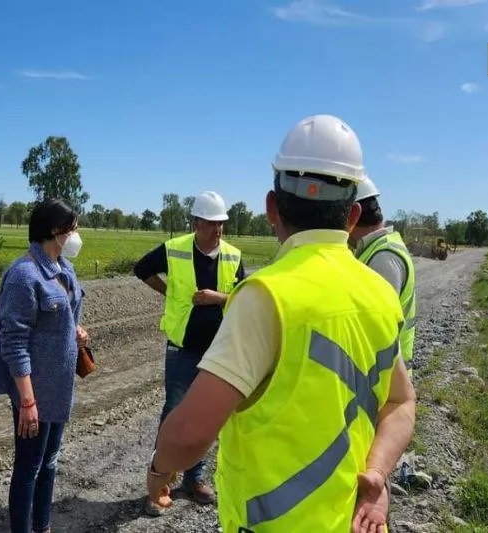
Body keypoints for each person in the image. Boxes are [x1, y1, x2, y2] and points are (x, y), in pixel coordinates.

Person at [146, 114, 417, 532]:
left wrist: (159, 469)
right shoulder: (379, 293)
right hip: (346, 520)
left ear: (272, 208)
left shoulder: (265, 296)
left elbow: (190, 433)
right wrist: (377, 474)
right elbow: (401, 402)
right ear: (352, 215)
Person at [133, 190, 246, 513]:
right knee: (174, 412)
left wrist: (218, 298)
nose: (218, 229)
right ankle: (159, 484)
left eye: (221, 223)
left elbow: (243, 297)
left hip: (218, 350)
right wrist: (168, 291)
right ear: (196, 222)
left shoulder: (233, 256)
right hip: (182, 349)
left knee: (208, 417)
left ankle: (194, 479)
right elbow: (141, 268)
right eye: (211, 223)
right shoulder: (175, 250)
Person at [0, 198, 89, 533]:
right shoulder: (23, 275)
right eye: (72, 228)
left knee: (50, 462)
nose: (76, 234)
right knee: (29, 467)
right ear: (56, 232)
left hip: (58, 390)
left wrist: (75, 333)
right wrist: (27, 402)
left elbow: (58, 318)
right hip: (34, 394)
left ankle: (42, 526)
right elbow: (13, 343)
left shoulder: (63, 269)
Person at [348, 175, 417, 379]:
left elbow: (371, 331)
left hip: (385, 382)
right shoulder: (380, 248)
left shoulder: (383, 258)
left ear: (352, 215)